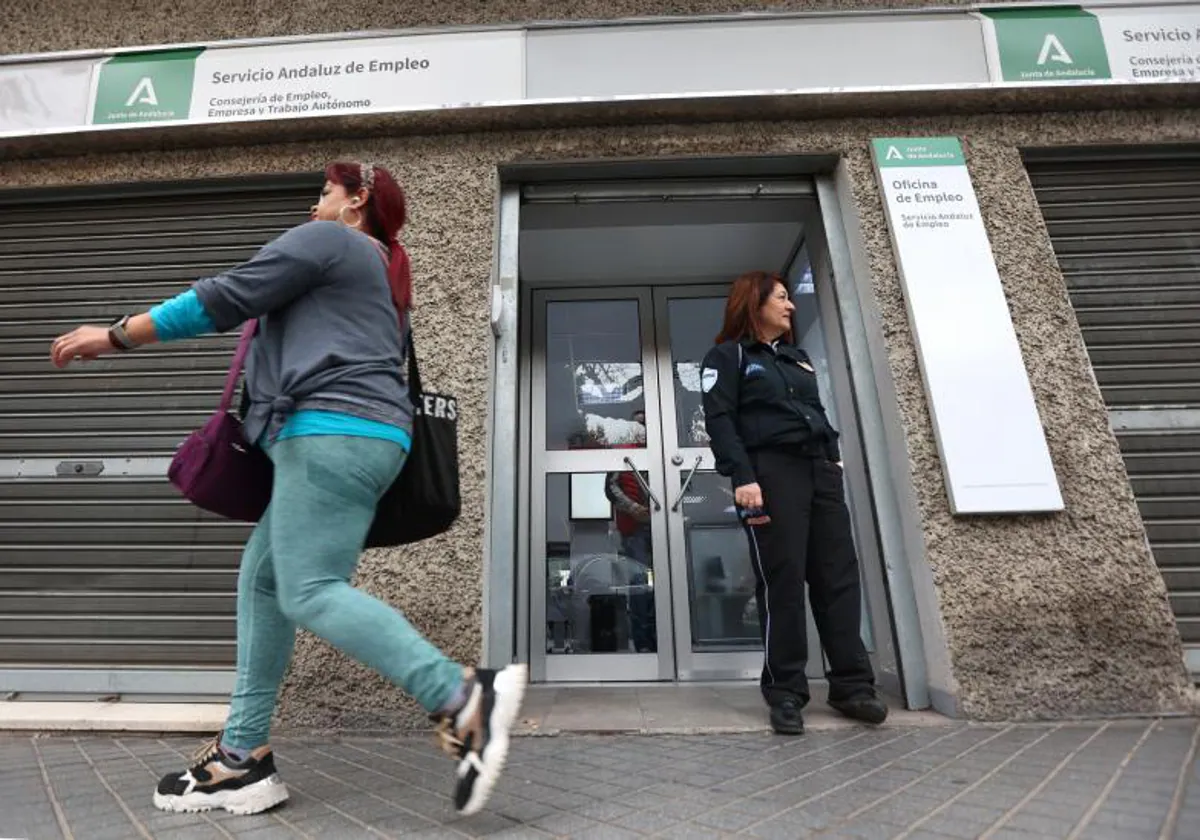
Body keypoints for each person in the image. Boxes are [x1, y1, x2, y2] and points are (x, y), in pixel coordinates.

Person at [48, 161, 526, 817]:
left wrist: (115, 335)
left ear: (356, 200)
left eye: (327, 191)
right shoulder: (379, 271)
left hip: (329, 434)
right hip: (355, 438)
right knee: (265, 581)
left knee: (310, 588)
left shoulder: (332, 241)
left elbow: (225, 295)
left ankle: (461, 694)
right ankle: (242, 759)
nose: (315, 201)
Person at [699, 270, 887, 735]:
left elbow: (817, 414)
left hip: (818, 471)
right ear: (754, 303)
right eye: (781, 298)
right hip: (770, 474)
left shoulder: (798, 358)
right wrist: (741, 475)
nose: (791, 306)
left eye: (789, 298)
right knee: (782, 582)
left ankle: (851, 685)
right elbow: (720, 419)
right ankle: (785, 691)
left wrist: (833, 461)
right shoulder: (728, 356)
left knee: (837, 578)